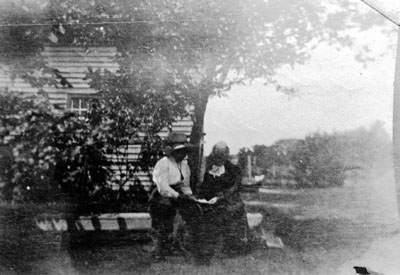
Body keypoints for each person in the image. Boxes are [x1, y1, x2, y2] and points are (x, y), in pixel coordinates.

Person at [195, 141, 249, 263]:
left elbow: (234, 188)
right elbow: (204, 187)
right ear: (213, 154)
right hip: (211, 201)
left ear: (226, 155)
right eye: (216, 156)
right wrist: (203, 198)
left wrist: (221, 197)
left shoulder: (234, 170)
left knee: (228, 212)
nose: (218, 159)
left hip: (229, 201)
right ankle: (206, 248)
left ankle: (230, 246)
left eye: (221, 156)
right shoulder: (207, 168)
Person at [149, 132, 198, 259]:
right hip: (162, 196)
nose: (182, 154)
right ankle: (159, 250)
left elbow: (185, 185)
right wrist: (178, 196)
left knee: (185, 217)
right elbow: (163, 187)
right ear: (171, 151)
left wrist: (189, 195)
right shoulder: (163, 164)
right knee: (162, 221)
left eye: (184, 151)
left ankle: (178, 245)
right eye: (180, 151)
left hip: (178, 195)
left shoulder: (184, 165)